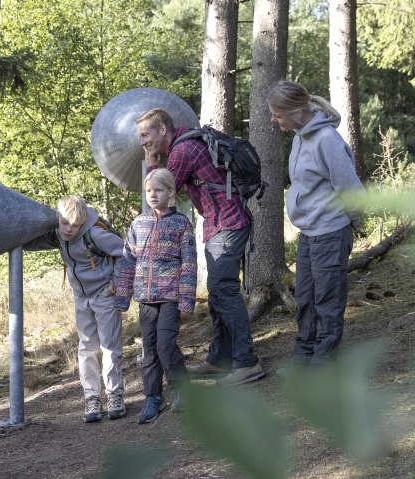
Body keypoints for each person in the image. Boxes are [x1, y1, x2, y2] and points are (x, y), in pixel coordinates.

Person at [135, 108, 265, 386]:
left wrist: (150, 164)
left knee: (225, 293)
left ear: (162, 130)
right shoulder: (189, 143)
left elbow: (161, 194)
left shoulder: (183, 151)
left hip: (226, 226)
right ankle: (220, 359)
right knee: (219, 294)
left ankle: (247, 362)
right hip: (221, 225)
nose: (143, 142)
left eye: (146, 135)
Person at [267, 80, 364, 364]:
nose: (274, 120)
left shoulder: (327, 141)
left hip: (331, 232)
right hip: (308, 234)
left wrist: (352, 222)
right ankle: (304, 356)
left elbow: (350, 188)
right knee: (306, 299)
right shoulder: (299, 135)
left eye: (277, 114)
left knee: (328, 301)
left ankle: (323, 364)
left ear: (296, 112)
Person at [25, 195, 126, 422]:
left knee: (109, 346)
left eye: (75, 225)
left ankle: (114, 395)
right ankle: (91, 397)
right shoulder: (58, 233)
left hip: (104, 294)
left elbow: (126, 252)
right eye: (64, 223)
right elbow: (32, 242)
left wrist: (116, 283)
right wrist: (11, 240)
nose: (69, 230)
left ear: (82, 222)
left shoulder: (95, 235)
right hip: (81, 297)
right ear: (58, 219)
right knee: (87, 347)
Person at [115, 168, 197, 424]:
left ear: (171, 192)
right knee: (149, 349)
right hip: (145, 299)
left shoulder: (181, 223)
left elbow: (189, 265)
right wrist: (122, 296)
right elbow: (128, 260)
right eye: (148, 190)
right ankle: (153, 396)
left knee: (165, 345)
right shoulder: (138, 224)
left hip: (171, 297)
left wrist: (186, 300)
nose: (152, 195)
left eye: (158, 190)